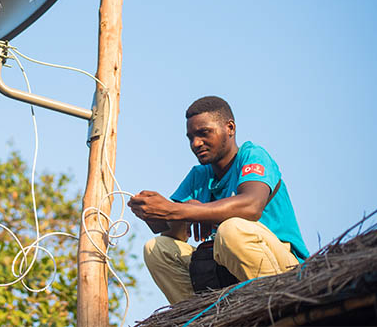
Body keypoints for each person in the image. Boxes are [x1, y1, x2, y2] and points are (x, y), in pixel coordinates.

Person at [128, 96, 308, 304]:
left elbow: (251, 205)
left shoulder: (253, 156)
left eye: (204, 133)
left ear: (229, 128)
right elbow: (174, 233)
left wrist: (187, 211)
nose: (196, 143)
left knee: (231, 230)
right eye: (190, 137)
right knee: (157, 248)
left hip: (284, 273)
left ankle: (277, 308)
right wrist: (152, 211)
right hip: (223, 272)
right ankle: (200, 318)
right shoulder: (199, 175)